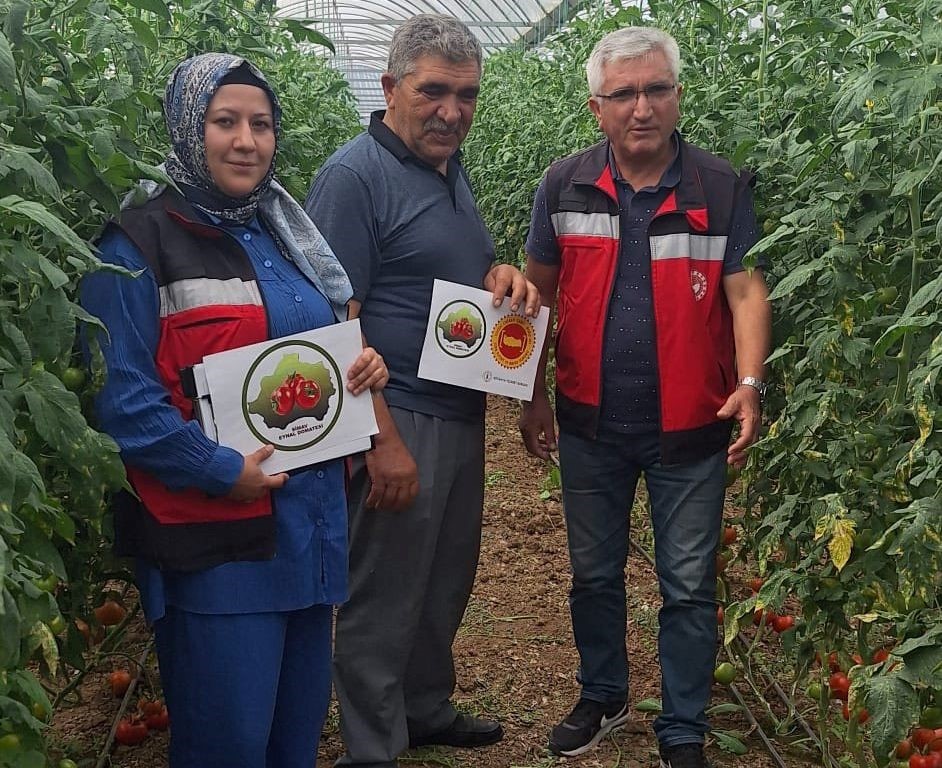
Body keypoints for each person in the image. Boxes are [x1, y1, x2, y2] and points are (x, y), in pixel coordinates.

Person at [81, 53, 388, 768]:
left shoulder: (285, 230)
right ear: (190, 129)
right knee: (229, 743)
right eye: (226, 122)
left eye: (261, 123)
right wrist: (219, 469)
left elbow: (314, 346)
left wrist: (360, 369)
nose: (247, 140)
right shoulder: (135, 243)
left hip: (306, 533)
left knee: (292, 739)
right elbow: (122, 400)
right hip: (218, 546)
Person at [519, 26, 771, 768]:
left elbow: (747, 289)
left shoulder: (719, 185)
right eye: (622, 94)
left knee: (688, 587)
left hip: (692, 427)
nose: (641, 107)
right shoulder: (564, 183)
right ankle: (604, 693)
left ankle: (684, 728)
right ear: (596, 106)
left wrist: (750, 383)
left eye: (656, 89)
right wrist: (531, 395)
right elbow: (536, 293)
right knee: (593, 574)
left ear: (678, 97)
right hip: (592, 422)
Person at [304, 13, 540, 768]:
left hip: (457, 405)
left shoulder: (447, 166)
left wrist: (496, 275)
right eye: (434, 91)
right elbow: (337, 317)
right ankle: (372, 747)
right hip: (400, 409)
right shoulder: (352, 177)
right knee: (384, 590)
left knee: (443, 576)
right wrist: (382, 441)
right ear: (390, 87)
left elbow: (440, 266)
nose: (452, 110)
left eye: (467, 95)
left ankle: (422, 707)